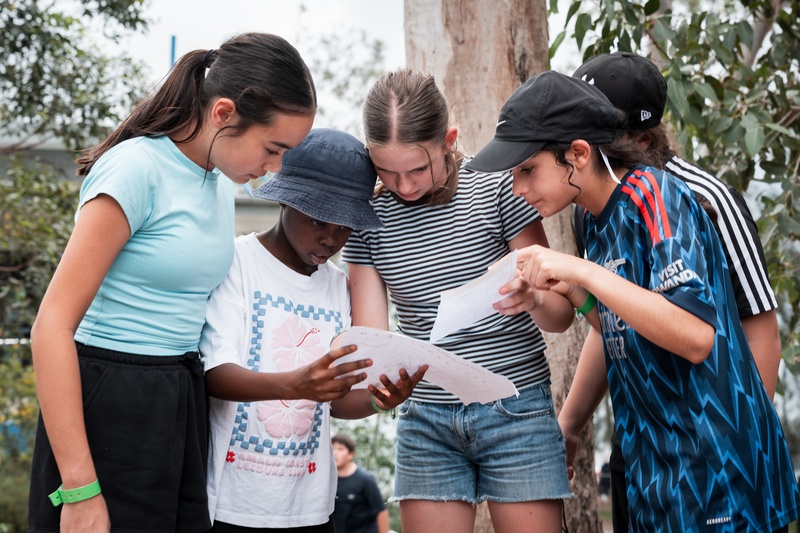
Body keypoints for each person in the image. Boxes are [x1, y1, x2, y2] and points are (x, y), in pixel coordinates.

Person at [467, 69, 800, 532]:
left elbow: (695, 336)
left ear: (578, 153)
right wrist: (574, 294)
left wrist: (582, 271)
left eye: (527, 170)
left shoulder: (658, 197)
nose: (518, 188)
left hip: (717, 475)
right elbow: (625, 328)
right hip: (655, 473)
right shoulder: (595, 218)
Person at [27, 33, 317, 532]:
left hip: (179, 397)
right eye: (273, 149)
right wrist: (79, 487)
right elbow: (50, 326)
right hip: (111, 397)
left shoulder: (216, 180)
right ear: (223, 113)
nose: (275, 168)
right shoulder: (136, 169)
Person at [342, 68, 575, 533]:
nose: (404, 186)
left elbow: (561, 315)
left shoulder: (500, 188)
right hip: (426, 420)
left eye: (417, 169)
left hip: (516, 409)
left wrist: (533, 297)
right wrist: (381, 385)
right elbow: (373, 341)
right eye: (386, 171)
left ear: (449, 140)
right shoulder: (367, 218)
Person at [560, 51, 783, 533]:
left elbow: (761, 330)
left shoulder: (708, 200)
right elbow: (613, 324)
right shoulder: (591, 210)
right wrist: (570, 423)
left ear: (641, 140)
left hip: (716, 459)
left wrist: (735, 456)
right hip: (643, 452)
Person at [199, 128, 427, 532]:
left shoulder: (339, 287)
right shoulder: (237, 263)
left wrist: (379, 400)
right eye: (319, 221)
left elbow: (336, 403)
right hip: (233, 504)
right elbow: (216, 375)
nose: (330, 239)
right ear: (285, 199)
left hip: (310, 507)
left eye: (345, 228)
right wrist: (296, 385)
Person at [331, 434, 389, 533]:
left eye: (340, 449)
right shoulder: (327, 480)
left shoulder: (365, 479)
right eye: (332, 449)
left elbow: (381, 511)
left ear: (351, 454)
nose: (335, 453)